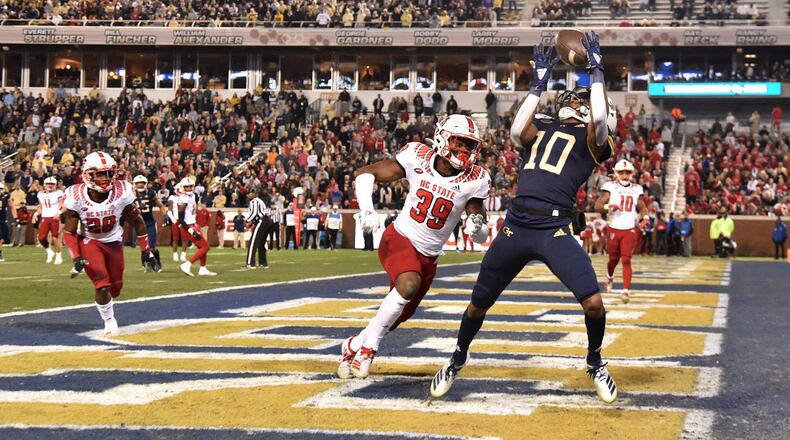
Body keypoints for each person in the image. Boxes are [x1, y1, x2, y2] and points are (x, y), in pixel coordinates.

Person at [430, 34, 618, 404]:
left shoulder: (596, 140)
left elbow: (598, 117)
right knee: (477, 304)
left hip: (553, 229)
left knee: (594, 303)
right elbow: (517, 130)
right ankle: (456, 358)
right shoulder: (544, 128)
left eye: (580, 100)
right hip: (516, 225)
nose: (573, 102)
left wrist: (597, 73)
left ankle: (595, 362)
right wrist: (537, 85)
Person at [337, 114, 490, 380]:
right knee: (408, 285)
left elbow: (480, 229)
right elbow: (365, 174)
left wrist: (477, 227)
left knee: (395, 318)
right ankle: (368, 350)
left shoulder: (475, 179)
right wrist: (367, 210)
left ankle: (352, 344)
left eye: (469, 145)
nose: (464, 150)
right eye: (459, 142)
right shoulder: (416, 156)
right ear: (443, 137)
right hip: (400, 238)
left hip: (429, 257)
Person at [61, 151, 158, 336]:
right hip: (89, 241)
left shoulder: (122, 192)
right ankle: (109, 321)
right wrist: (76, 256)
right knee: (101, 284)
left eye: (108, 173)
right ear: (88, 174)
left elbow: (138, 222)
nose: (105, 178)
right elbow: (69, 232)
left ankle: (108, 307)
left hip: (114, 242)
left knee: (115, 288)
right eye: (100, 173)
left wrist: (146, 250)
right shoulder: (76, 195)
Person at [595, 159, 648, 303]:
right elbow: (598, 205)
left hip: (629, 228)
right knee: (613, 259)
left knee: (626, 259)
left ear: (631, 173)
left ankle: (625, 290)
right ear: (616, 173)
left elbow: (642, 206)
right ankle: (610, 277)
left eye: (627, 172)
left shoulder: (637, 188)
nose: (624, 175)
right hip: (614, 227)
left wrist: (646, 217)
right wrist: (608, 207)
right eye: (622, 172)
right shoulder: (610, 186)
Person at [175, 178, 215, 276]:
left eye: (190, 186)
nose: (188, 188)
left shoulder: (193, 196)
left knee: (203, 246)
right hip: (187, 226)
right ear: (182, 187)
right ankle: (187, 264)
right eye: (186, 187)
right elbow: (180, 220)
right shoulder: (183, 198)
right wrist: (191, 230)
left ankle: (202, 268)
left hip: (192, 224)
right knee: (206, 247)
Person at [133, 175, 164, 272]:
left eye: (142, 183)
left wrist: (165, 215)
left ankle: (158, 261)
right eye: (138, 184)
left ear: (146, 184)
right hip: (139, 224)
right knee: (144, 248)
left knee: (152, 247)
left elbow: (160, 205)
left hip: (150, 222)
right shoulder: (131, 195)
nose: (140, 185)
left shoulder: (151, 193)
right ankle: (149, 264)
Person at [32, 176, 64, 264]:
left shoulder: (59, 193)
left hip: (54, 218)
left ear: (55, 185)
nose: (50, 185)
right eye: (48, 184)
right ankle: (49, 252)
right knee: (41, 238)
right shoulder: (41, 194)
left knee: (54, 238)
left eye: (52, 184)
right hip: (45, 217)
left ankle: (58, 256)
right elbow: (41, 207)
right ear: (44, 185)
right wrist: (35, 214)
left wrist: (59, 213)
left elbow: (63, 206)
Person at [244, 190, 273, 269]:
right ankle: (263, 263)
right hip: (268, 221)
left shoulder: (254, 201)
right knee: (261, 243)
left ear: (254, 194)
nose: (248, 196)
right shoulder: (260, 201)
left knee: (253, 242)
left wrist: (247, 221)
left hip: (261, 221)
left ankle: (250, 263)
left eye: (249, 193)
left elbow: (254, 213)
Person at [0, 184, 17, 262]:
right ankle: (0, 253)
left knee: (6, 238)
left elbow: (12, 207)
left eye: (1, 189)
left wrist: (15, 218)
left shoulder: (6, 196)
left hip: (3, 220)